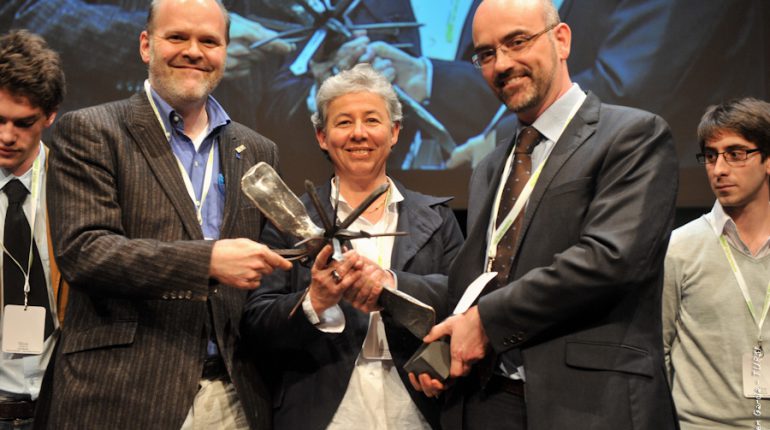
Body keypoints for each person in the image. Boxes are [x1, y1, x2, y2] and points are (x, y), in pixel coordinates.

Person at [408, 0, 679, 428]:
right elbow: (480, 280)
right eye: (486, 53)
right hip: (484, 400)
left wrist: (484, 322)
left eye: (517, 42)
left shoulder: (632, 135)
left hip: (587, 404)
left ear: (562, 39)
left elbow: (610, 259)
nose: (502, 64)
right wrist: (438, 342)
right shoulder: (491, 167)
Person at [38, 0, 292, 428]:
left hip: (234, 398)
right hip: (123, 394)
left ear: (225, 52)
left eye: (209, 41)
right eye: (177, 37)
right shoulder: (92, 131)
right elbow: (85, 252)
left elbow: (265, 283)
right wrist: (208, 261)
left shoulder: (258, 151)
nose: (193, 51)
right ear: (145, 45)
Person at [242, 63, 464, 429]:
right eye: (344, 122)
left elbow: (463, 305)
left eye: (372, 121)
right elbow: (256, 325)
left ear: (394, 132)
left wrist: (392, 283)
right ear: (322, 136)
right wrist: (315, 301)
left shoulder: (437, 218)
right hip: (325, 409)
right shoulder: (288, 222)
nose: (359, 134)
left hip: (417, 410)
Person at [0, 0, 295, 129]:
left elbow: (268, 55)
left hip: (217, 145)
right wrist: (163, 42)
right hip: (97, 131)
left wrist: (311, 85)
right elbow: (26, 10)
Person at [663, 98, 770, 429]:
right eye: (711, 156)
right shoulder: (679, 248)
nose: (720, 169)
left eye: (736, 154)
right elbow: (658, 351)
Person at [0, 29, 66, 430]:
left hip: (59, 408)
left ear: (50, 114)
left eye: (23, 123)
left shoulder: (75, 187)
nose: (6, 136)